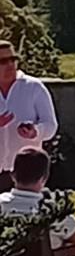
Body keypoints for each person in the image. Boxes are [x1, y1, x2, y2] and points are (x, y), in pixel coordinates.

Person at [0, 40, 58, 193]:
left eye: (13, 59)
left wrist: (35, 131)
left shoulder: (33, 87)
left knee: (25, 215)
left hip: (26, 173)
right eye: (3, 61)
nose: (10, 65)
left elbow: (51, 126)